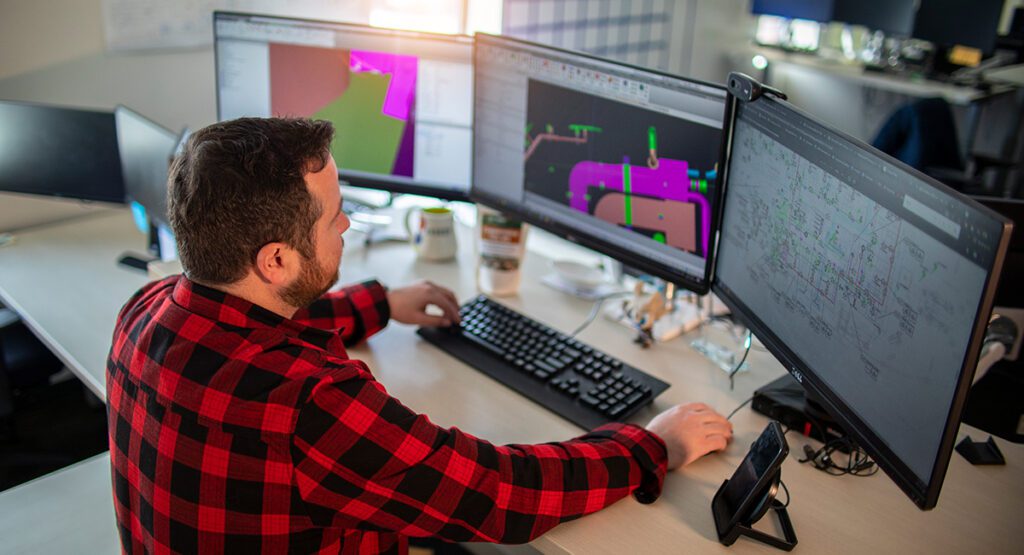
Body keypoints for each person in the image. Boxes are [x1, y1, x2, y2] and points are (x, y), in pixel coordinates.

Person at [107, 117, 733, 554]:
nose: (347, 222)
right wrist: (653, 448)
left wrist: (378, 305)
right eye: (333, 217)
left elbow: (248, 335)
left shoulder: (147, 309)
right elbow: (500, 496)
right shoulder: (312, 404)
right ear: (275, 261)